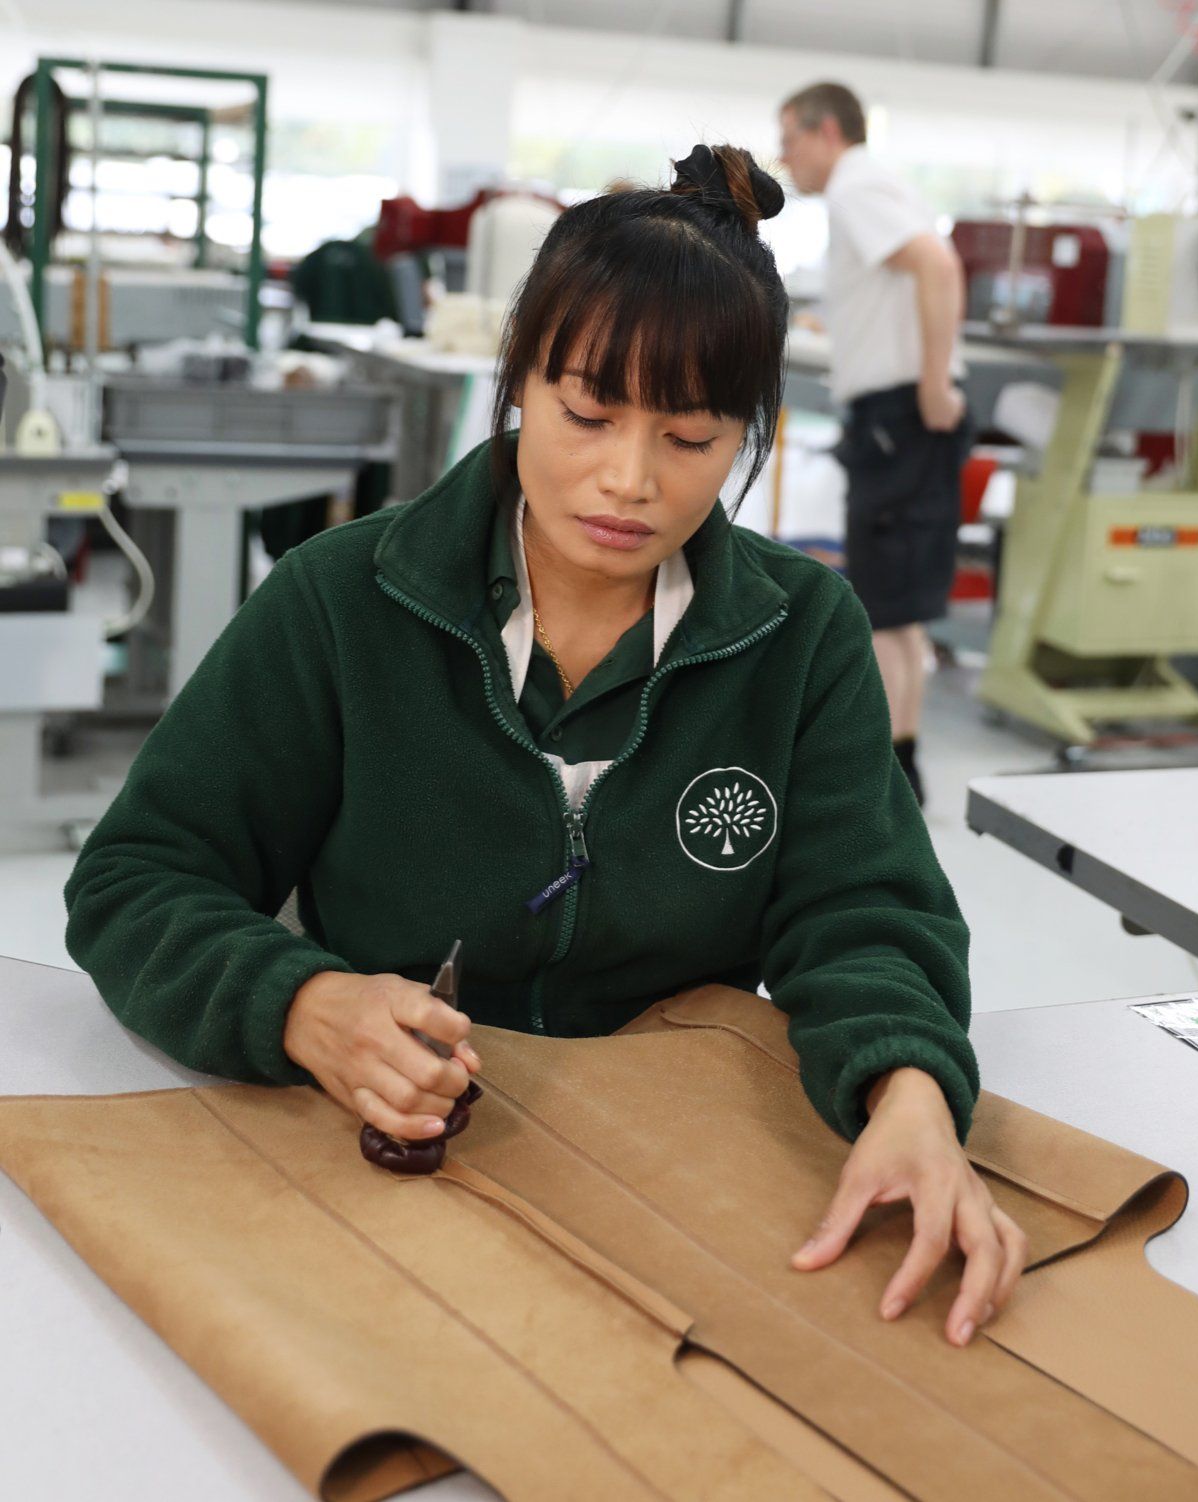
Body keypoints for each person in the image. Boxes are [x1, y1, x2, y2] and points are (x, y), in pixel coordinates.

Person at [65, 143, 1024, 1348]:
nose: (626, 480)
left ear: (748, 435)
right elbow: (136, 879)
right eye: (585, 412)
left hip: (669, 1172)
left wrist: (910, 1090)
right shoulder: (342, 600)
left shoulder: (800, 634)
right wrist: (301, 1001)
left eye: (690, 438)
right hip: (368, 1156)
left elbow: (863, 913)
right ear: (518, 381)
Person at [779, 83, 970, 807]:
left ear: (827, 131)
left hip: (900, 416)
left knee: (887, 606)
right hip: (894, 416)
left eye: (790, 139)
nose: (786, 158)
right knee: (898, 606)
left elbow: (937, 266)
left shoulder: (858, 185)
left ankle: (894, 773)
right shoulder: (868, 190)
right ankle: (902, 761)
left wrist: (931, 383)